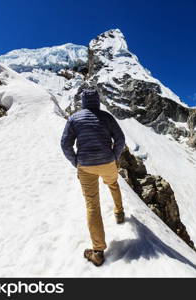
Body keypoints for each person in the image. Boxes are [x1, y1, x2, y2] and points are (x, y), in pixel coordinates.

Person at [61, 89, 125, 267]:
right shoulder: (107, 117)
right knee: (113, 183)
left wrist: (76, 162)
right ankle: (119, 212)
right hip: (107, 161)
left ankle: (97, 251)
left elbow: (65, 143)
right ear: (97, 101)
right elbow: (120, 139)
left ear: (82, 102)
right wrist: (114, 156)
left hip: (85, 166)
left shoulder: (74, 118)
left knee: (92, 204)